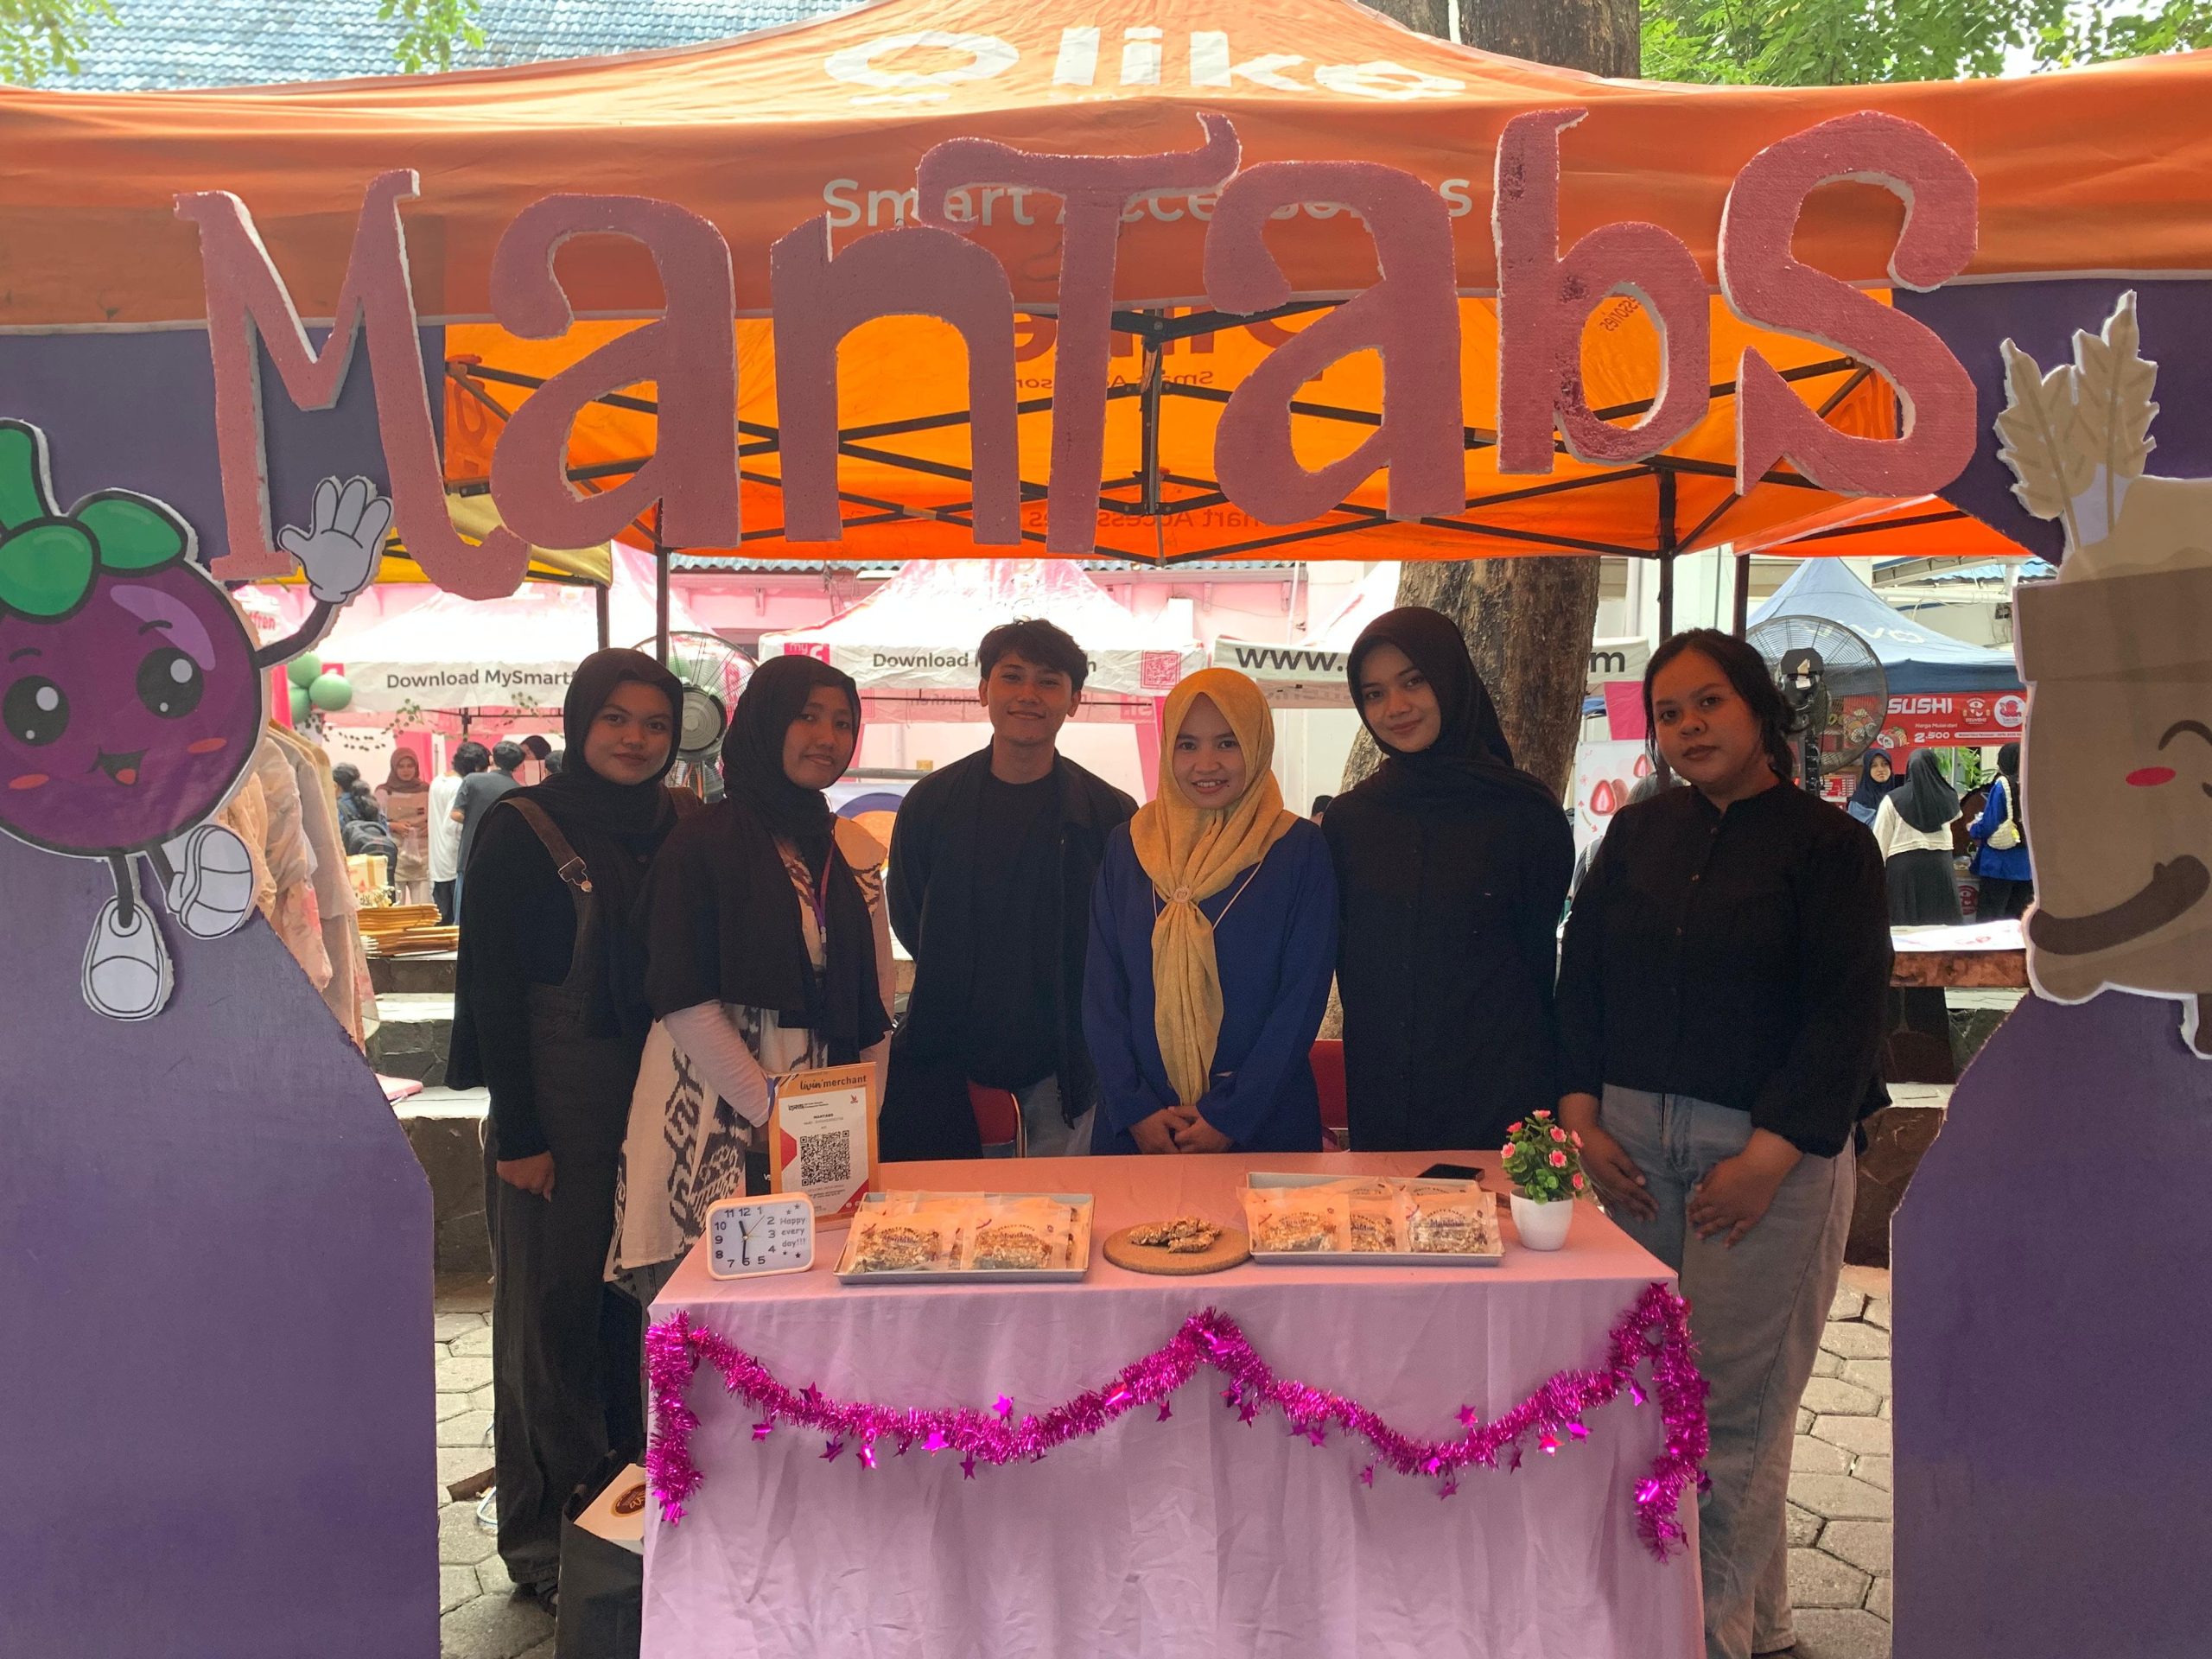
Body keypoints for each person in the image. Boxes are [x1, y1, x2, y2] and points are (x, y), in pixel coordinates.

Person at [1555, 628, 1890, 1659]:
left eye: (1709, 703)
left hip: (1766, 1158)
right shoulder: (1637, 836)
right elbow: (1582, 977)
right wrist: (1580, 1116)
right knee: (1651, 1398)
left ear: (1758, 710)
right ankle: (1759, 1624)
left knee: (1729, 1415)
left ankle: (1705, 1639)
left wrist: (1769, 1158)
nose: (1689, 726)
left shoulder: (1829, 847)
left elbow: (1846, 1015)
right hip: (1628, 1150)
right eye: (1669, 713)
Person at [444, 649, 685, 1613]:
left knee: (643, 1315)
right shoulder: (521, 828)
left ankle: (635, 1524)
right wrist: (520, 1137)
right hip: (557, 1105)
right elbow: (491, 989)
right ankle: (546, 1542)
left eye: (655, 723)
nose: (635, 738)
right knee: (551, 1323)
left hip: (661, 1104)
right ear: (582, 723)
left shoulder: (680, 825)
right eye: (616, 719)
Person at [609, 655, 895, 1284]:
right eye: (807, 717)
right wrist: (768, 1107)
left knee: (818, 1297)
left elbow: (877, 989)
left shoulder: (848, 847)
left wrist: (862, 1107)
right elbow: (683, 996)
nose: (827, 737)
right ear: (766, 722)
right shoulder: (701, 843)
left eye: (842, 723)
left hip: (823, 1122)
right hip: (715, 1109)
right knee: (715, 1311)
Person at [883, 619, 1136, 1160]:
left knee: (1062, 1203)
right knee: (951, 1204)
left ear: (1074, 700)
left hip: (1067, 1065)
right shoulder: (931, 804)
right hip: (946, 1057)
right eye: (1012, 676)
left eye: (1048, 681)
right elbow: (908, 914)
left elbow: (1119, 938)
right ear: (983, 690)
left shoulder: (1109, 814)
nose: (1028, 694)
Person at [1324, 607, 1573, 1153]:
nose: (1396, 707)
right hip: (1386, 1100)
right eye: (1374, 693)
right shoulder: (1350, 822)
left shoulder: (1525, 814)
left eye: (1414, 681)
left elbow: (1537, 968)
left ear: (1451, 679)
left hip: (1499, 1102)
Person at [1084, 668, 1338, 1154]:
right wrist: (1135, 1108)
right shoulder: (1130, 845)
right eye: (1187, 745)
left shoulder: (1297, 849)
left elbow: (1301, 997)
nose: (1206, 764)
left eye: (1227, 743)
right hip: (1141, 1128)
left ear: (1257, 745)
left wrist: (1231, 1115)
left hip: (1262, 1122)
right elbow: (1102, 989)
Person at [1872, 748, 1963, 925]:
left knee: (1905, 925)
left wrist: (1874, 875)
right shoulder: (1948, 797)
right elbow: (1956, 819)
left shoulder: (1893, 799)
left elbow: (1880, 841)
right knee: (1941, 924)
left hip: (1904, 868)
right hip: (1940, 865)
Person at [452, 740, 524, 916]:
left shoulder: (472, 780)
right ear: (518, 765)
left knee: (464, 913)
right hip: (502, 858)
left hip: (470, 852)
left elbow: (456, 814)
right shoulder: (518, 789)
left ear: (492, 759)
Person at [1968, 741, 2032, 920]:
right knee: (2017, 920)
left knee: (1991, 920)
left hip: (1999, 865)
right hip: (2026, 865)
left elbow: (1990, 823)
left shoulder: (2002, 786)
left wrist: (1974, 829)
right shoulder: (2032, 783)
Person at [429, 741, 486, 925]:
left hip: (438, 859)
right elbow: (453, 824)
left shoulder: (438, 781)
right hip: (454, 858)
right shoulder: (460, 785)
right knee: (456, 922)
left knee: (441, 920)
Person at [376, 748, 433, 906]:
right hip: (395, 854)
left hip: (423, 855)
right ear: (394, 768)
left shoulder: (427, 790)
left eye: (410, 766)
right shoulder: (383, 792)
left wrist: (432, 827)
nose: (406, 770)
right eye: (401, 766)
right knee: (396, 907)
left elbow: (438, 816)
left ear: (416, 767)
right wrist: (392, 825)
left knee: (423, 908)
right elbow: (375, 821)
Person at [1844, 747, 1901, 827]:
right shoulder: (1860, 800)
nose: (1880, 769)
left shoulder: (1899, 793)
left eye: (1885, 764)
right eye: (1874, 766)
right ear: (1867, 770)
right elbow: (1869, 828)